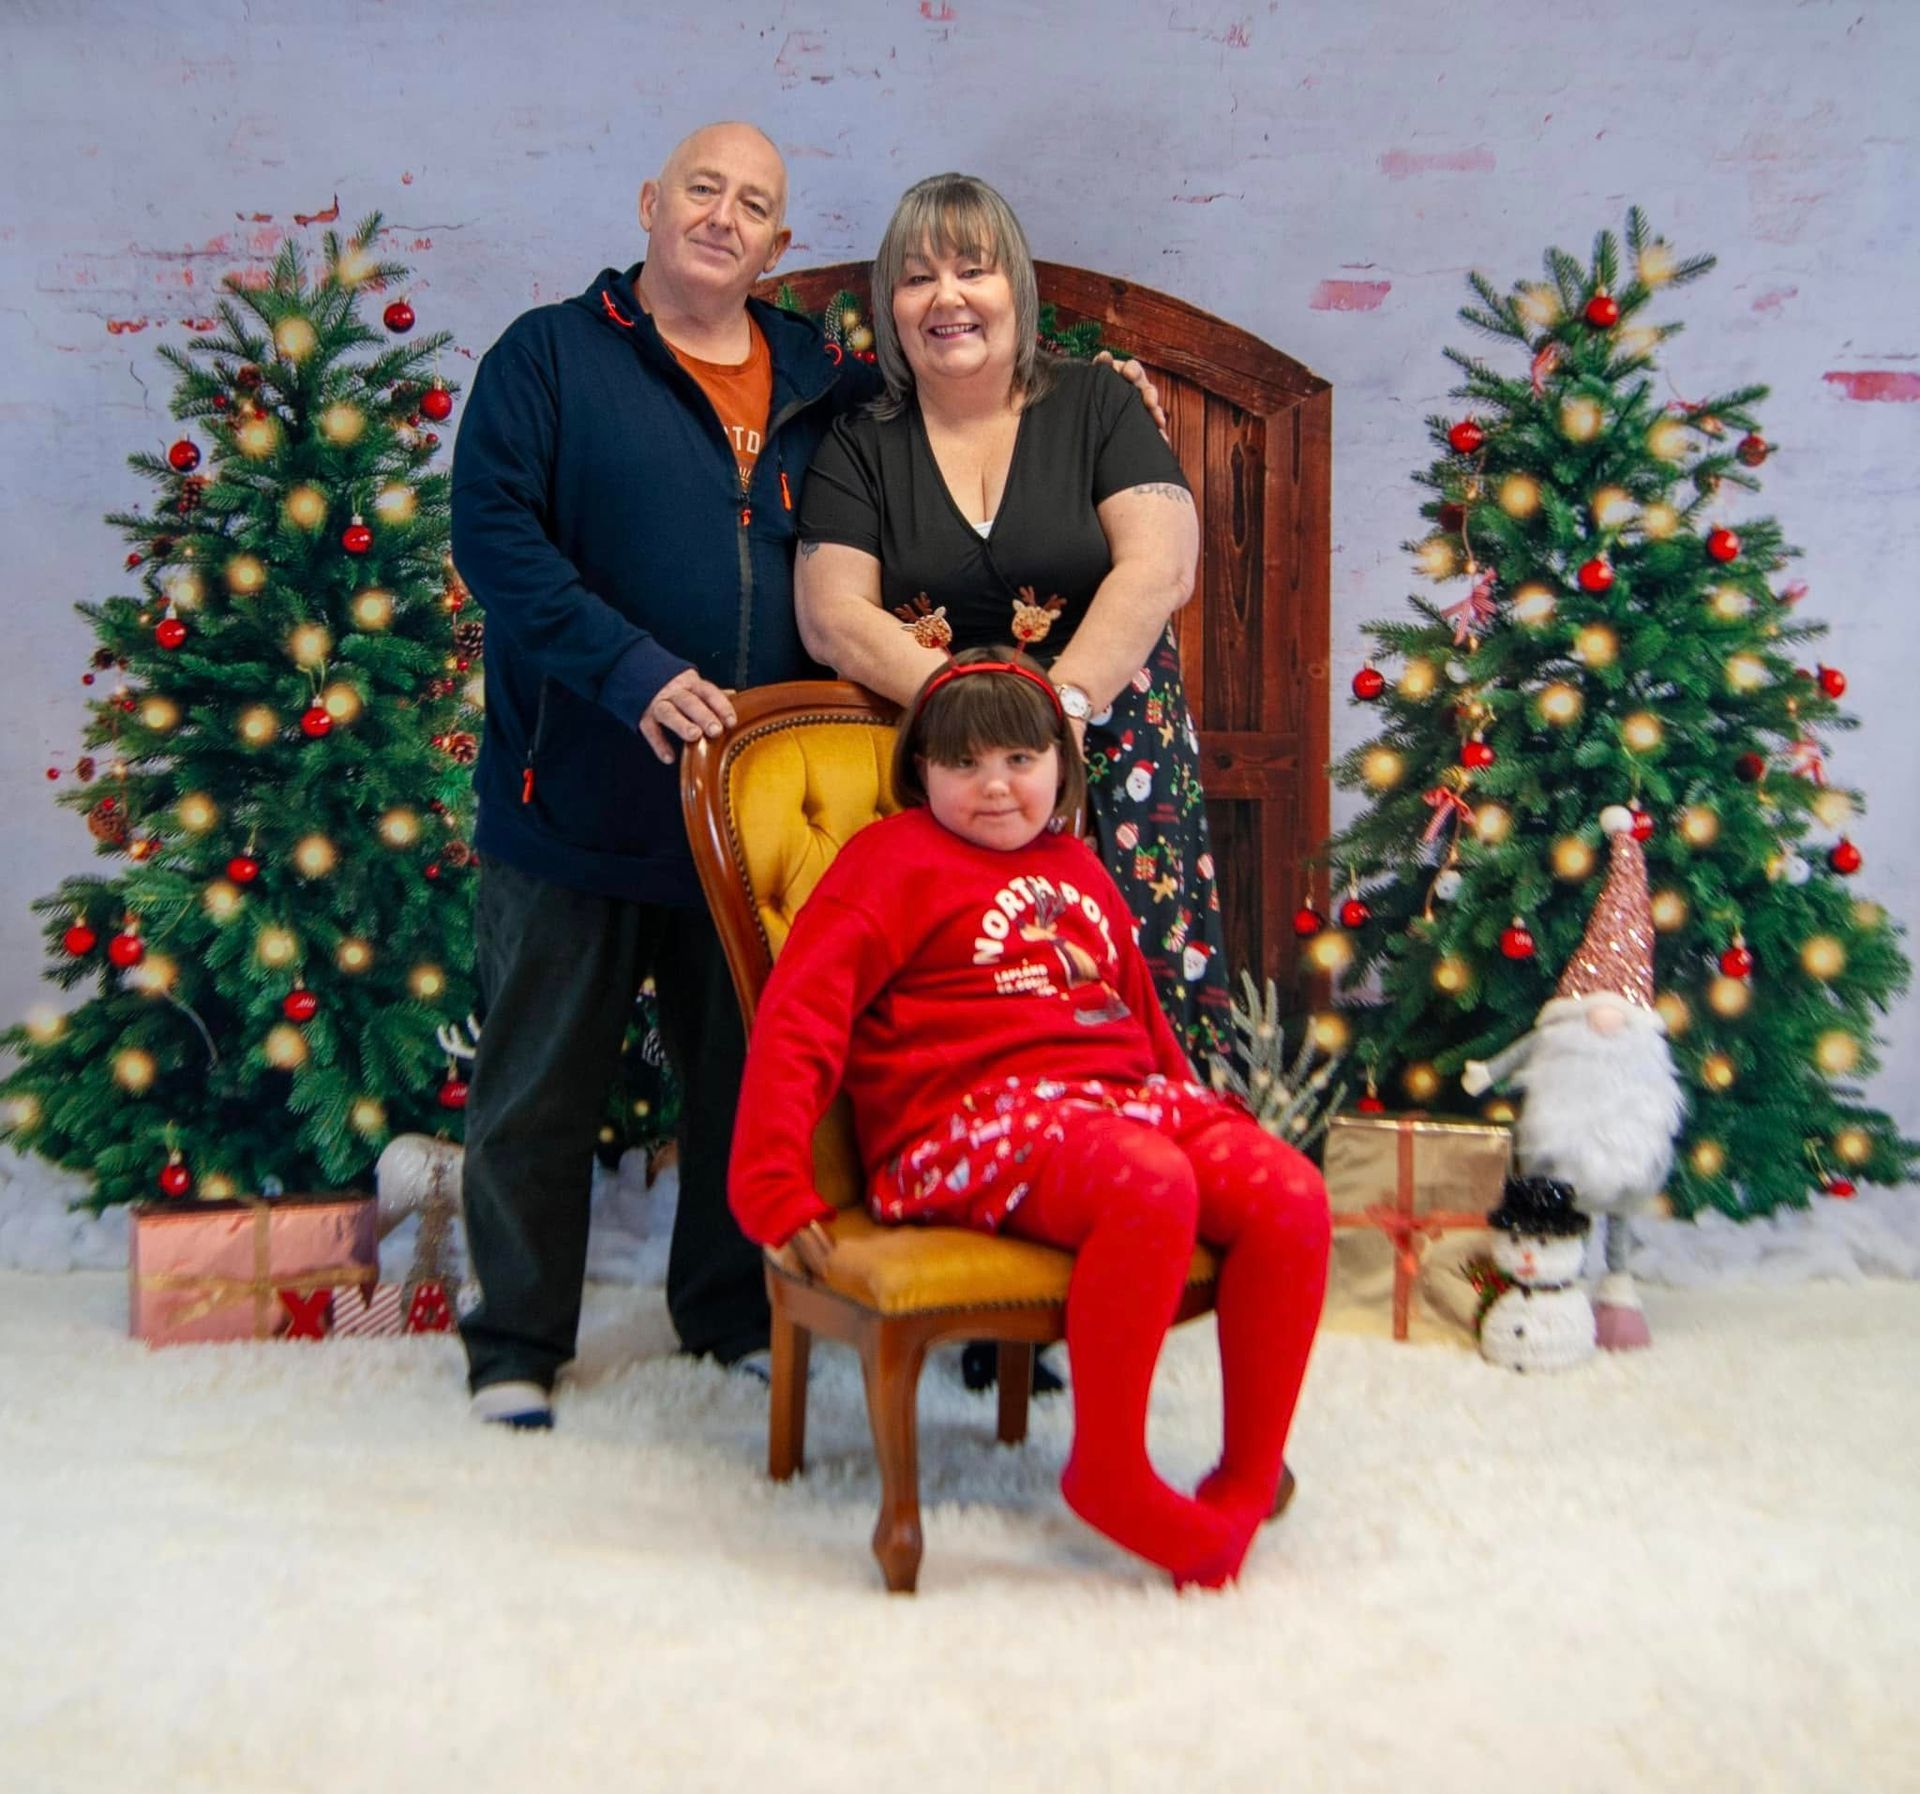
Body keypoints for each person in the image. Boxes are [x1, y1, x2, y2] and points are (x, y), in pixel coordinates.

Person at [449, 127, 1162, 1428]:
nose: (725, 217)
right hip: (581, 797)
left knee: (749, 1075)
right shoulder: (548, 358)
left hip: (759, 817)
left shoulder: (823, 382)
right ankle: (514, 1343)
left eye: (756, 205)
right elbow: (495, 542)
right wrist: (626, 669)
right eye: (704, 191)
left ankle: (724, 1315)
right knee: (541, 1077)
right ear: (652, 204)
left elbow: (903, 500)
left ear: (779, 247)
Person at [728, 651, 1330, 1586]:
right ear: (920, 772)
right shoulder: (887, 864)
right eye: (962, 765)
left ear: (1061, 765)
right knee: (1148, 1180)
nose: (995, 787)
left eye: (1018, 760)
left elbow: (1138, 1018)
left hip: (1110, 1104)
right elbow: (799, 1016)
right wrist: (771, 1178)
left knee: (1288, 1192)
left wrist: (1200, 1116)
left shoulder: (1079, 866)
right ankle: (1111, 1472)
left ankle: (1247, 1475)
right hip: (961, 1124)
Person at [794, 172, 1234, 1067]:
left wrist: (1062, 711)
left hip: (1115, 755)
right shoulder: (859, 442)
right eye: (917, 278)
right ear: (889, 307)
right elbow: (831, 614)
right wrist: (979, 720)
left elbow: (1162, 565)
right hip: (947, 773)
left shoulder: (1100, 403)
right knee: (979, 1021)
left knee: (1139, 1024)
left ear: (1016, 291)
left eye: (973, 269)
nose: (946, 297)